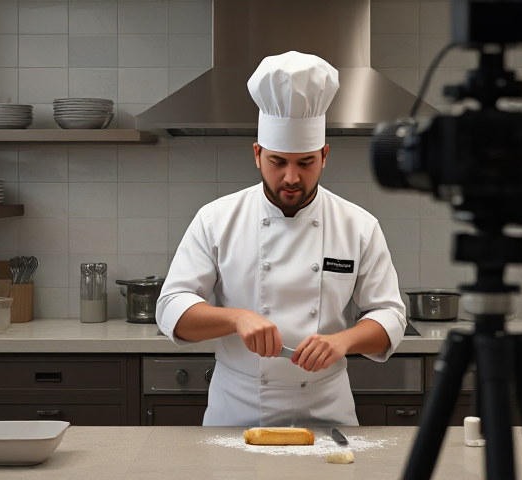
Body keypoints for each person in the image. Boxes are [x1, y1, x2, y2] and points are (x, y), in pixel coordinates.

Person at [156, 51, 406, 427]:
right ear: (257, 155)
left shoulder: (359, 225)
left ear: (324, 155)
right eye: (278, 162)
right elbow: (172, 309)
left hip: (327, 412)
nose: (291, 177)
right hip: (237, 412)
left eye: (305, 162)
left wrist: (344, 341)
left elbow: (389, 315)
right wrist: (236, 318)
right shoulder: (216, 219)